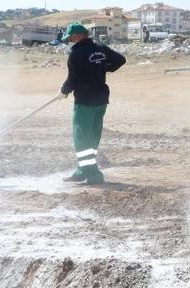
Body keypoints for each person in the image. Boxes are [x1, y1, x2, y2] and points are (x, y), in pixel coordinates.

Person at [59, 22, 126, 185]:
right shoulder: (100, 47)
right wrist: (104, 68)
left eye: (72, 37)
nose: (71, 40)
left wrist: (64, 91)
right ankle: (82, 170)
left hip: (85, 101)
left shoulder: (75, 53)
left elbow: (72, 79)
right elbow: (120, 60)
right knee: (93, 137)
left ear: (80, 35)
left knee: (82, 139)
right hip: (101, 100)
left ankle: (93, 174)